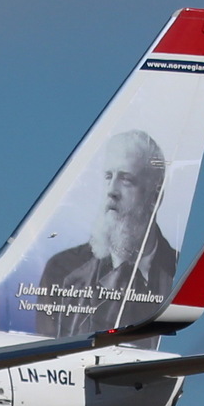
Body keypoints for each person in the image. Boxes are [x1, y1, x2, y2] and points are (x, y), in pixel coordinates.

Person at [32, 130, 178, 337]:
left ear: (155, 197)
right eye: (108, 177)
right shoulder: (62, 270)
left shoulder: (177, 272)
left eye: (126, 179)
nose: (112, 190)